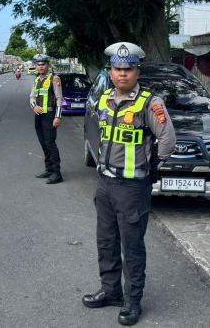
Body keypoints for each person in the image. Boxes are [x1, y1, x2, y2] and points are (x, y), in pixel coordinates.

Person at [82, 42, 176, 326]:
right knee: (106, 241)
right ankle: (111, 291)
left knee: (132, 246)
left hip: (133, 188)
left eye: (128, 69)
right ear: (110, 72)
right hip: (106, 183)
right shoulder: (105, 99)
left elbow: (168, 140)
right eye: (117, 69)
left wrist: (152, 168)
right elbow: (99, 131)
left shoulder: (150, 103)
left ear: (137, 71)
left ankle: (132, 301)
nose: (122, 74)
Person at [29, 54, 64, 184]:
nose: (40, 66)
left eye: (43, 64)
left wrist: (58, 116)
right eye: (38, 64)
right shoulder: (37, 80)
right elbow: (32, 97)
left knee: (50, 144)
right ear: (36, 66)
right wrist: (34, 107)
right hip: (38, 116)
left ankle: (57, 173)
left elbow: (60, 98)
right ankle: (49, 169)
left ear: (48, 65)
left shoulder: (54, 78)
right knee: (44, 144)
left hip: (50, 117)